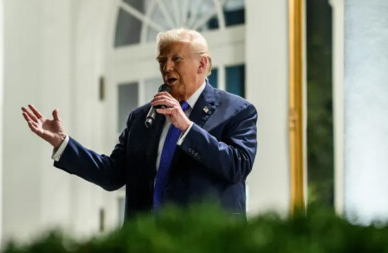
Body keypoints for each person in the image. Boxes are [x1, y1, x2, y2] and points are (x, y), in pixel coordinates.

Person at [22, 28, 257, 219]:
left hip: (206, 250)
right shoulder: (142, 118)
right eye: (162, 60)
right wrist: (63, 143)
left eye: (176, 59)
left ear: (202, 65)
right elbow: (112, 175)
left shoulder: (237, 111)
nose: (167, 68)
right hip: (146, 248)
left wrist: (187, 127)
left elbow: (237, 166)